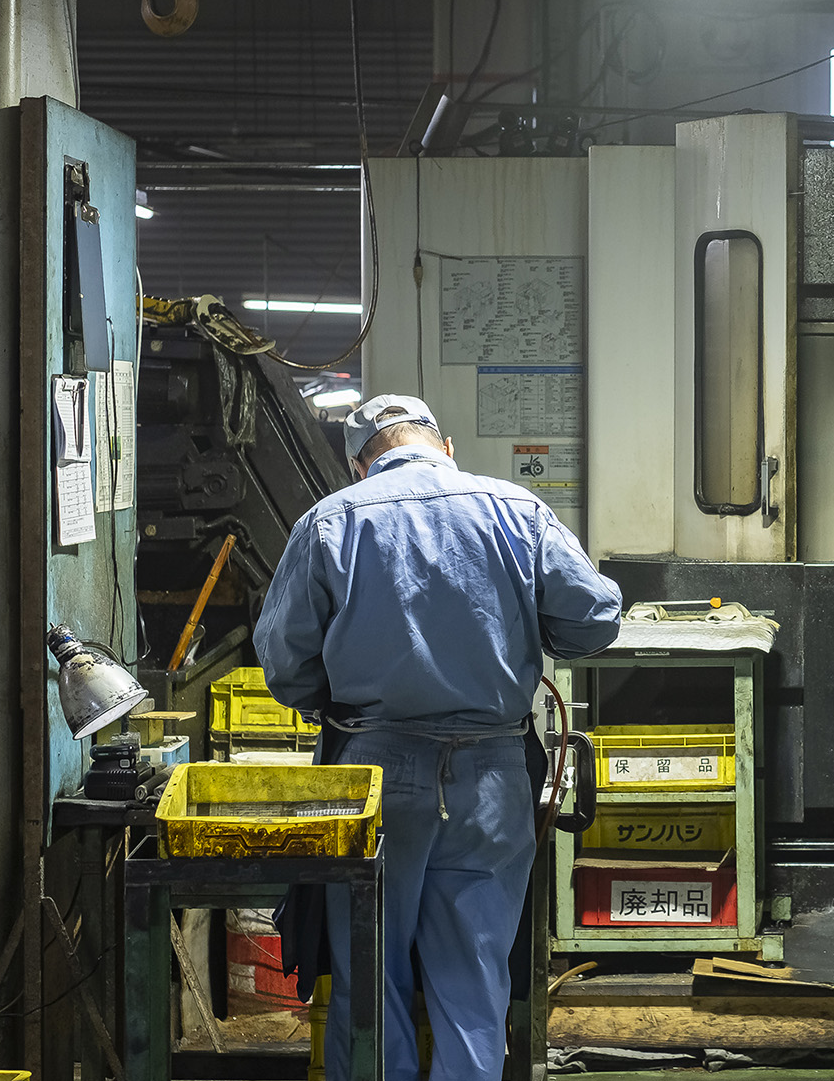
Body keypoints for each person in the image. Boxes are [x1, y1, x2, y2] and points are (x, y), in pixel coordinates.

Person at [255, 394, 621, 1081]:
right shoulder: (517, 512)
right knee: (474, 978)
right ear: (445, 446)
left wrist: (336, 701)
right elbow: (596, 621)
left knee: (370, 973)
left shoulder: (331, 520)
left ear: (361, 465)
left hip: (373, 771)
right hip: (492, 776)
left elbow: (283, 663)